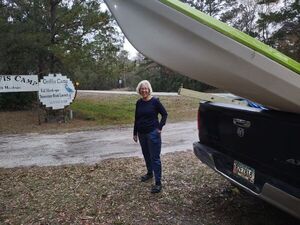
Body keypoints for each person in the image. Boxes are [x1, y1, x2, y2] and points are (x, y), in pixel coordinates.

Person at [133, 80, 168, 193]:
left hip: (153, 133)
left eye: (146, 88)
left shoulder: (155, 102)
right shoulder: (139, 103)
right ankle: (149, 173)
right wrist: (135, 133)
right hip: (141, 134)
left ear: (149, 89)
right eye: (142, 88)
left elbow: (164, 114)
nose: (144, 90)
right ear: (139, 90)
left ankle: (158, 183)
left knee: (155, 157)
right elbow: (136, 119)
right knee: (146, 155)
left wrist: (160, 127)